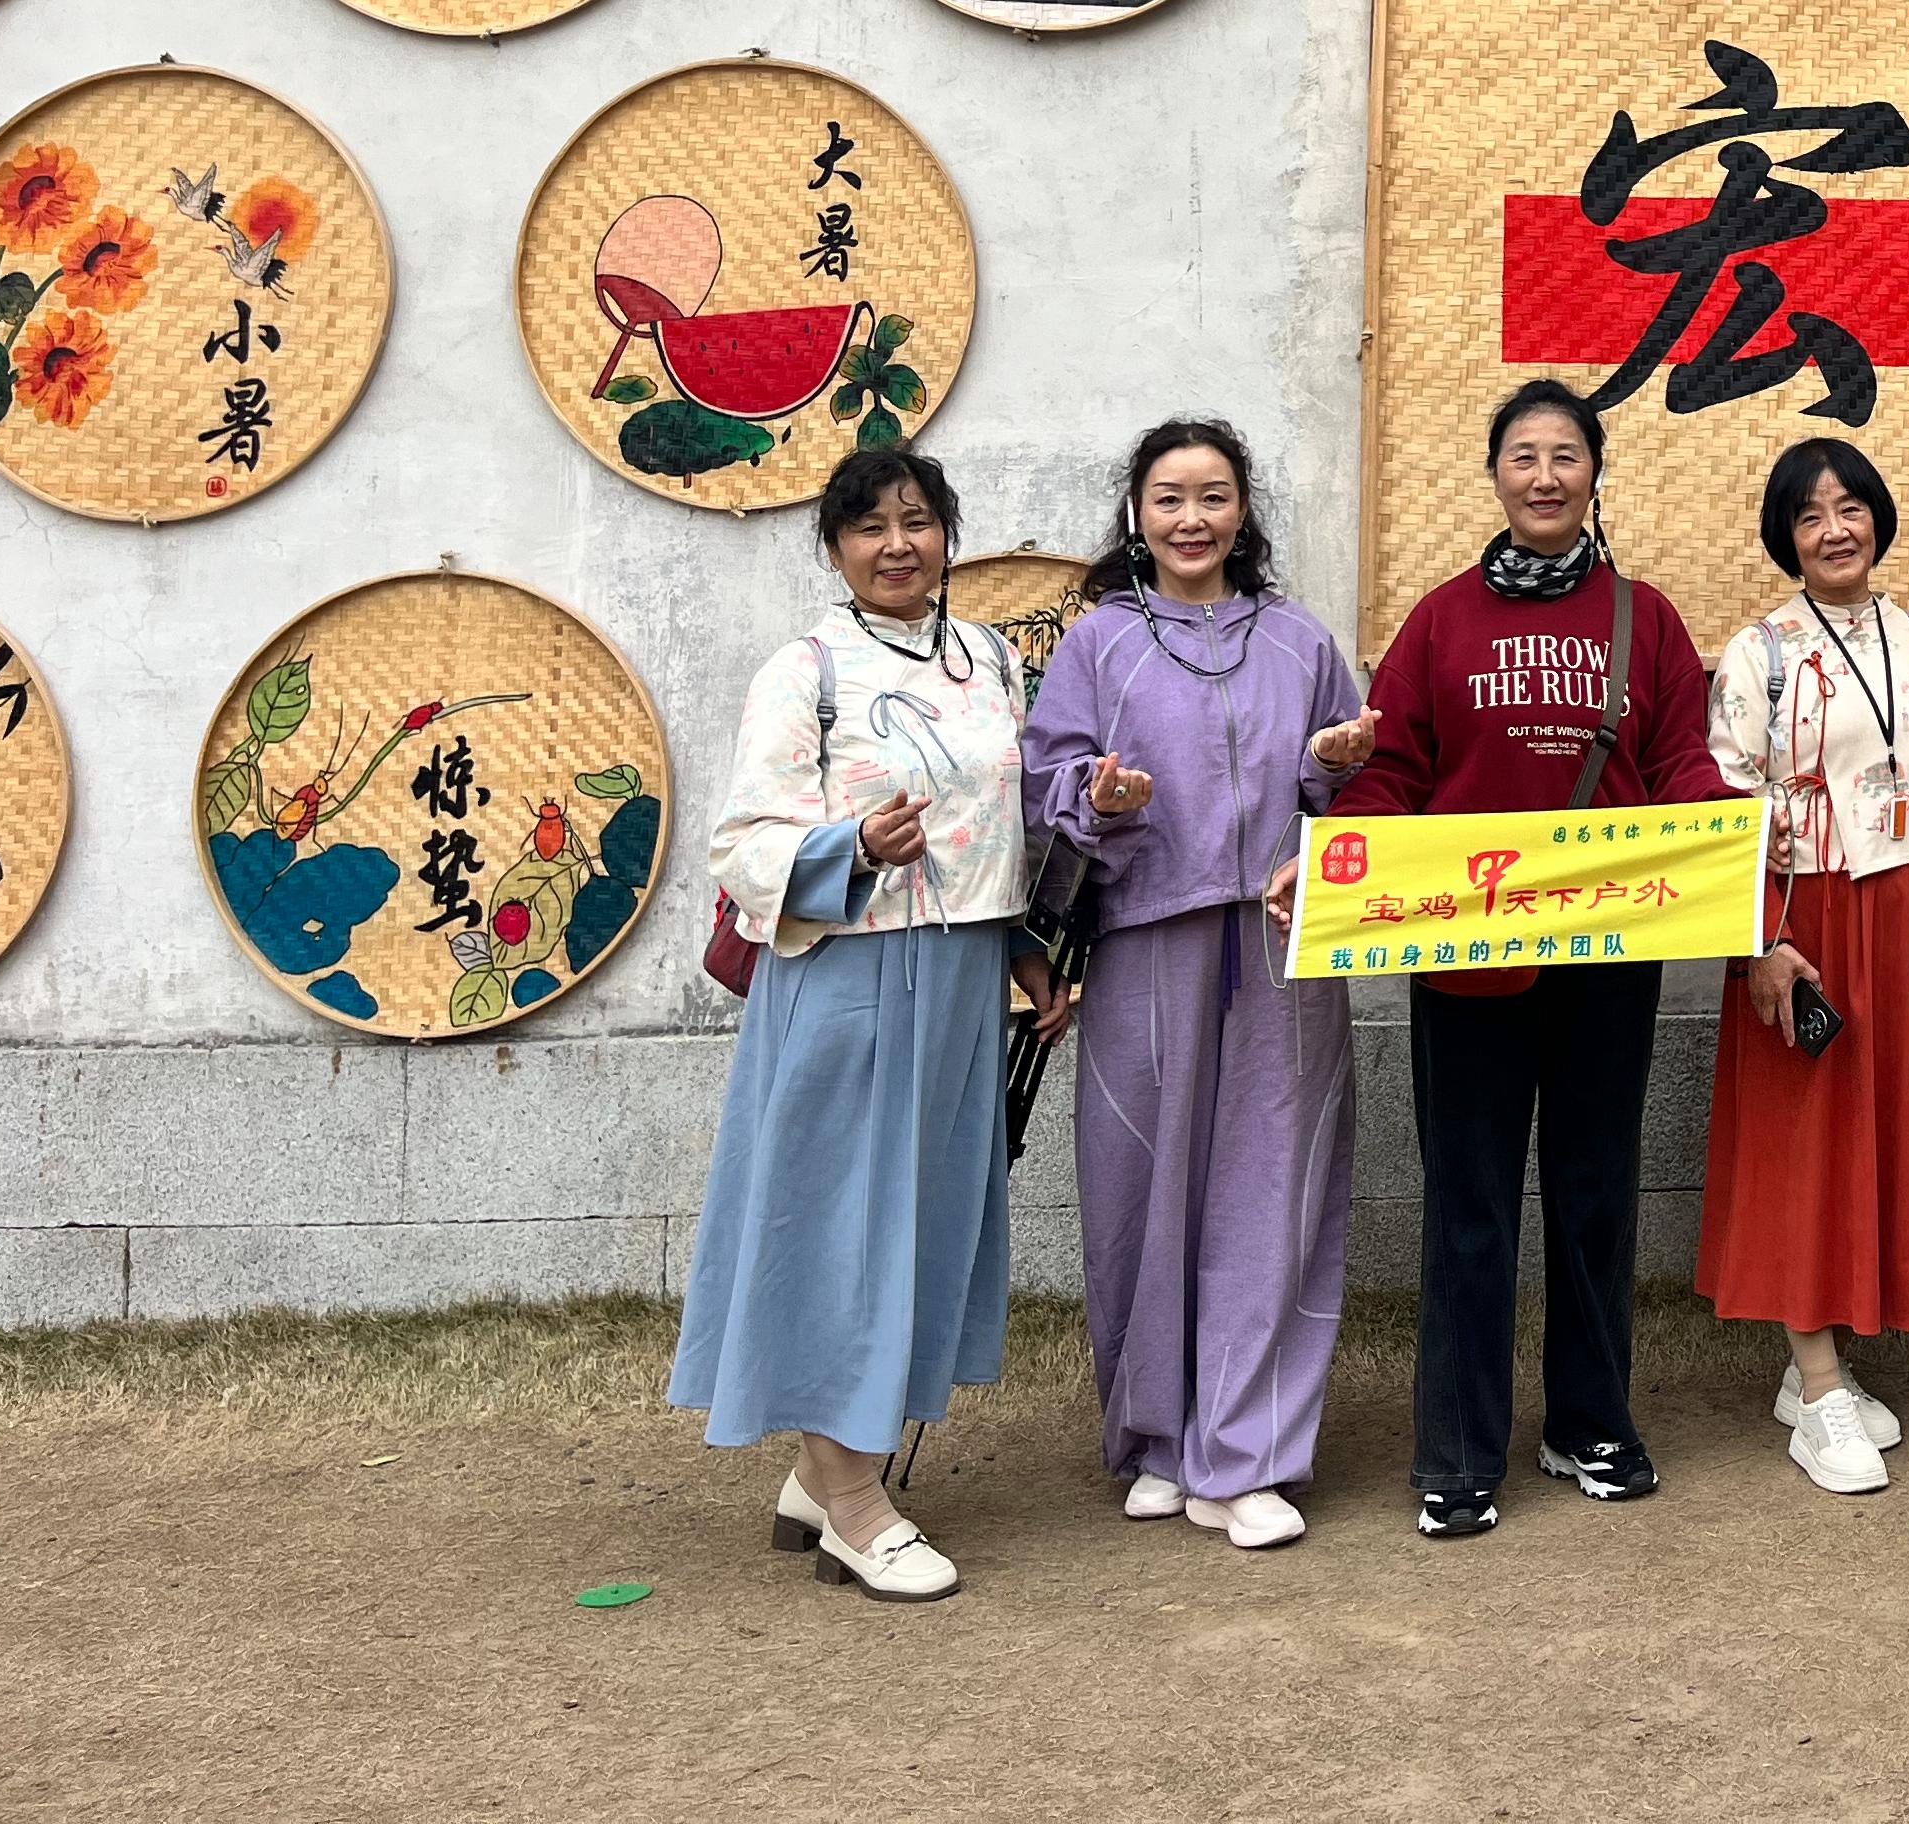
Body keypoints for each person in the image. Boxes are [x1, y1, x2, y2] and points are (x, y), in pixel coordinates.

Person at [1266, 380, 1722, 1540]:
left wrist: (1733, 837)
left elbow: (1682, 765)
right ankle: (1458, 1451)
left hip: (1611, 953)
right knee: (1467, 1201)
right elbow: (1392, 775)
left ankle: (1591, 1423)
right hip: (1466, 960)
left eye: (1566, 455)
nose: (1545, 476)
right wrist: (1331, 862)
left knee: (1595, 1193)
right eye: (1524, 455)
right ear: (1496, 474)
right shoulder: (1440, 623)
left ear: (1595, 473)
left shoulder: (1647, 621)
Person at [668, 446, 1071, 1603]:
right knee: (840, 1231)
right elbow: (741, 844)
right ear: (836, 548)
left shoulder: (990, 658)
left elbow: (1002, 824)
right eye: (869, 526)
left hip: (961, 982)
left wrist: (1026, 947)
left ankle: (823, 1474)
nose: (898, 544)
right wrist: (849, 846)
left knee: (922, 1228)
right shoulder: (803, 672)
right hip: (848, 979)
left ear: (947, 534)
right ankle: (855, 1506)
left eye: (918, 520)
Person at [1023, 417, 1379, 1551]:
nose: (1192, 519)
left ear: (1244, 510)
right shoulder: (1099, 643)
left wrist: (1331, 770)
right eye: (1170, 498)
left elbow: (1352, 798)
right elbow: (1044, 781)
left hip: (1280, 945)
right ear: (1138, 514)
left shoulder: (1300, 639)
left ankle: (1243, 1454)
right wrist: (1098, 797)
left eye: (1214, 496)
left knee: (1273, 1187)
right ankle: (1156, 1438)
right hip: (1145, 939)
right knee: (1138, 1187)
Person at [1697, 438, 1909, 1496]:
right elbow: (1723, 811)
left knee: (1888, 1132)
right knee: (1805, 1143)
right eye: (1810, 514)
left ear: (1879, 516)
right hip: (1806, 921)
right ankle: (1821, 1385)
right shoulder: (1759, 654)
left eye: (1851, 507)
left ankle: (1813, 1365)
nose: (1835, 530)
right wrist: (1757, 942)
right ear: (1785, 536)